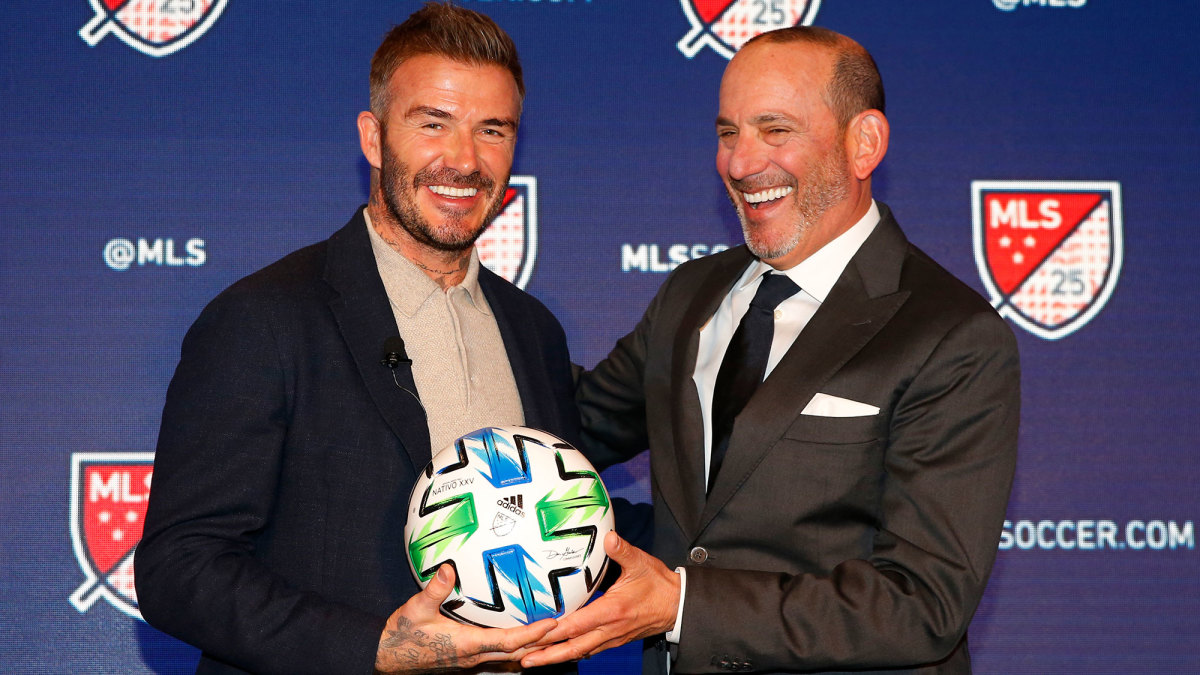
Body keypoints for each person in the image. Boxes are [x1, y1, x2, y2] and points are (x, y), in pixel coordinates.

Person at [522, 26, 1020, 674]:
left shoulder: (951, 335)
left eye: (775, 129)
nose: (740, 162)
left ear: (864, 143)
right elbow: (570, 424)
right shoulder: (691, 294)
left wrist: (683, 605)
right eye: (729, 133)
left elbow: (921, 603)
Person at [136, 4, 576, 673]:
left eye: (492, 130)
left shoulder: (535, 331)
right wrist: (375, 650)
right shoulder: (263, 318)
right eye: (433, 123)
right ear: (373, 138)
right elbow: (179, 567)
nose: (464, 159)